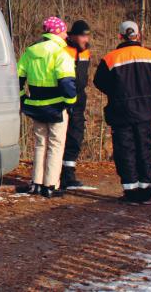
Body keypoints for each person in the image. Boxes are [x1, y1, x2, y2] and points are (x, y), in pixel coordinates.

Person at [93, 21, 151, 205]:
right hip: (145, 114)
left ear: (120, 36)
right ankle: (146, 191)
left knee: (125, 152)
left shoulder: (110, 59)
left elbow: (99, 82)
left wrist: (116, 93)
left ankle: (130, 192)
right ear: (138, 35)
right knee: (144, 150)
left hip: (120, 114)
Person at [17, 17, 77, 198]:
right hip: (57, 107)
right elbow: (67, 83)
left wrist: (23, 99)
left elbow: (17, 79)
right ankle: (50, 185)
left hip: (35, 106)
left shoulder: (30, 52)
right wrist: (71, 102)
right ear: (57, 32)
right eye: (64, 31)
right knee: (55, 145)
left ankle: (36, 182)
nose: (66, 34)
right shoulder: (61, 53)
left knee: (40, 144)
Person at [61, 19, 92, 189]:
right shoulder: (62, 50)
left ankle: (69, 173)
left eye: (87, 36)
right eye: (82, 36)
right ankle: (56, 174)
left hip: (80, 100)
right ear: (72, 36)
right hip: (63, 99)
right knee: (60, 137)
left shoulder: (86, 52)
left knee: (76, 136)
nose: (85, 40)